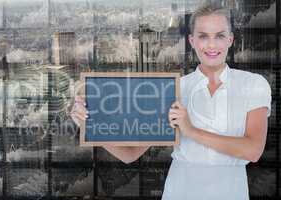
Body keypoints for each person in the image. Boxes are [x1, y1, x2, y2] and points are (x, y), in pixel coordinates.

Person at [70, 3, 272, 200]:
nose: (211, 45)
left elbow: (253, 150)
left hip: (230, 192)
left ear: (230, 39)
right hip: (180, 191)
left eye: (219, 35)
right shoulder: (172, 89)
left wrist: (191, 131)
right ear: (192, 41)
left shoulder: (253, 84)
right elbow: (130, 154)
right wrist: (91, 126)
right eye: (203, 36)